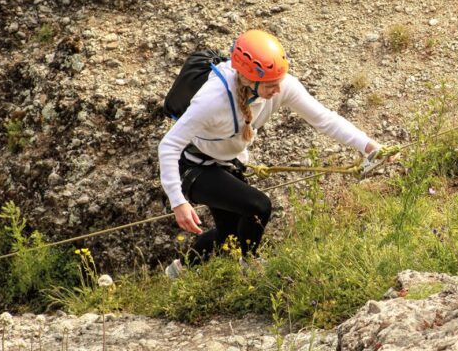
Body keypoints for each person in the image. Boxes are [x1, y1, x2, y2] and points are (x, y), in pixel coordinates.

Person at [158, 29, 382, 276]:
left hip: (228, 163)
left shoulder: (281, 85)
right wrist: (178, 202)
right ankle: (251, 268)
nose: (278, 89)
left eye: (279, 81)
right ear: (247, 78)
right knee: (259, 206)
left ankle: (178, 271)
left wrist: (369, 147)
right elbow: (169, 146)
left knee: (229, 236)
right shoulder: (213, 98)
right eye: (270, 85)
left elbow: (324, 119)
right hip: (194, 166)